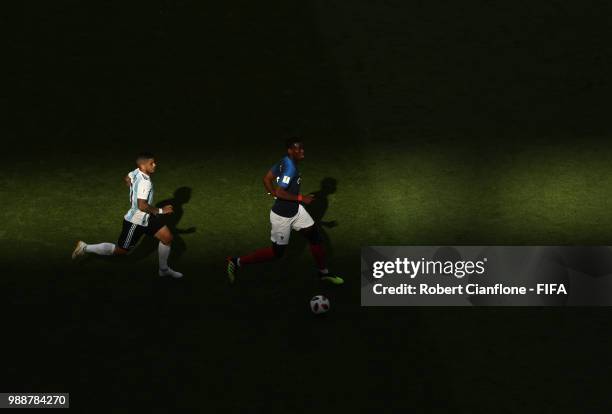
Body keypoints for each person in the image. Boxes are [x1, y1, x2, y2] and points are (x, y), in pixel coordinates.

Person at [227, 139, 343, 285]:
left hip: (297, 211)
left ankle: (323, 273)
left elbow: (267, 179)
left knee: (315, 238)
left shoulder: (285, 161)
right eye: (298, 149)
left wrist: (273, 194)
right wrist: (300, 198)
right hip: (282, 217)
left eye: (302, 148)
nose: (302, 151)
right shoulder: (290, 168)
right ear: (290, 151)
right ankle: (236, 262)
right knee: (277, 253)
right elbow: (281, 191)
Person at [72, 152, 183, 278]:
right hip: (135, 222)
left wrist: (133, 189)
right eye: (151, 163)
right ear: (142, 165)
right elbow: (142, 206)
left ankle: (163, 270)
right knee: (120, 251)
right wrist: (162, 211)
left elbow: (127, 178)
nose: (155, 165)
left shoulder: (136, 171)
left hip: (147, 217)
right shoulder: (145, 183)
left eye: (154, 162)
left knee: (167, 238)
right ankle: (85, 247)